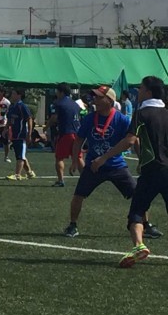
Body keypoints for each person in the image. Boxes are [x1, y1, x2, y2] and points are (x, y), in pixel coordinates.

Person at [62, 85, 161, 239]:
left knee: (138, 194)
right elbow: (79, 140)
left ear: (109, 100)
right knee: (78, 194)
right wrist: (75, 160)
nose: (94, 100)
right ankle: (72, 225)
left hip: (116, 165)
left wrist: (142, 160)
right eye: (94, 97)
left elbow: (134, 139)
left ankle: (146, 225)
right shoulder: (89, 118)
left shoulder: (121, 119)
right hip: (94, 165)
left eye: (98, 97)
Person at [117, 76, 168, 267]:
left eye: (140, 88)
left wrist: (105, 156)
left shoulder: (142, 113)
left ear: (148, 92)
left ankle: (139, 246)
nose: (137, 91)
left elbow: (131, 140)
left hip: (152, 170)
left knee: (137, 211)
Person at [47, 83, 84, 187]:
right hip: (77, 133)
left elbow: (54, 118)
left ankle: (60, 180)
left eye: (57, 91)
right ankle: (86, 179)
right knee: (78, 157)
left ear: (61, 92)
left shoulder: (58, 103)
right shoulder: (75, 104)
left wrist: (46, 127)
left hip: (66, 133)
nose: (56, 93)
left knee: (59, 157)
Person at [4, 89, 36, 180]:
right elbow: (10, 120)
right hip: (14, 134)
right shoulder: (12, 106)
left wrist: (29, 133)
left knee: (20, 156)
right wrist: (6, 128)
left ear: (19, 95)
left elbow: (29, 119)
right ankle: (29, 173)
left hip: (21, 135)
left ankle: (17, 175)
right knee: (20, 154)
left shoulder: (22, 106)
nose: (12, 95)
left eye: (14, 93)